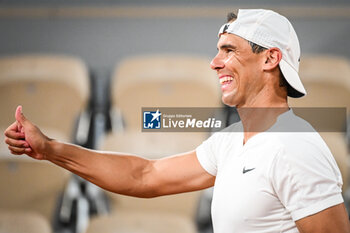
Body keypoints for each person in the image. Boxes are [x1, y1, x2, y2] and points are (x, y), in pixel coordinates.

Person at [4, 9, 350, 233]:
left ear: (270, 59)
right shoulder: (230, 141)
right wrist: (50, 149)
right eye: (218, 51)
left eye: (229, 50)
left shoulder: (296, 146)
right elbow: (145, 176)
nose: (215, 63)